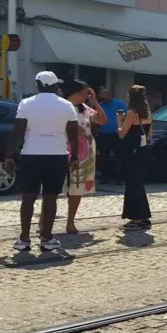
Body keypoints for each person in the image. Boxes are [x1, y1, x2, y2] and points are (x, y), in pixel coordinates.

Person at [4, 71, 79, 251]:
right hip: (57, 155)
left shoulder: (26, 104)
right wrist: (74, 157)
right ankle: (46, 237)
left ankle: (24, 238)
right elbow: (73, 136)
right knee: (50, 197)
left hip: (31, 154)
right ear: (55, 86)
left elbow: (17, 133)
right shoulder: (67, 106)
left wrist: (8, 155)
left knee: (28, 197)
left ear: (37, 85)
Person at [62, 80, 108, 234]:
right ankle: (44, 221)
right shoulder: (62, 107)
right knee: (54, 187)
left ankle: (70, 221)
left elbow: (102, 120)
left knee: (77, 188)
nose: (86, 96)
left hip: (84, 154)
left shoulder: (85, 109)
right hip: (62, 150)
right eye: (84, 92)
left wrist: (95, 102)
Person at [118, 85, 153, 229]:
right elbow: (150, 134)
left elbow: (121, 133)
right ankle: (143, 216)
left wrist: (119, 121)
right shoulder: (148, 113)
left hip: (131, 151)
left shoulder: (132, 113)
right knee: (138, 183)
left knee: (132, 185)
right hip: (142, 151)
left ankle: (136, 217)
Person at [94, 88, 127, 184]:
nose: (102, 97)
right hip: (103, 134)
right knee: (104, 156)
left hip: (116, 134)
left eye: (104, 94)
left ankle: (119, 177)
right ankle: (105, 177)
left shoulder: (119, 104)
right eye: (101, 95)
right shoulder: (101, 105)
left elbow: (123, 117)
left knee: (119, 156)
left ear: (109, 94)